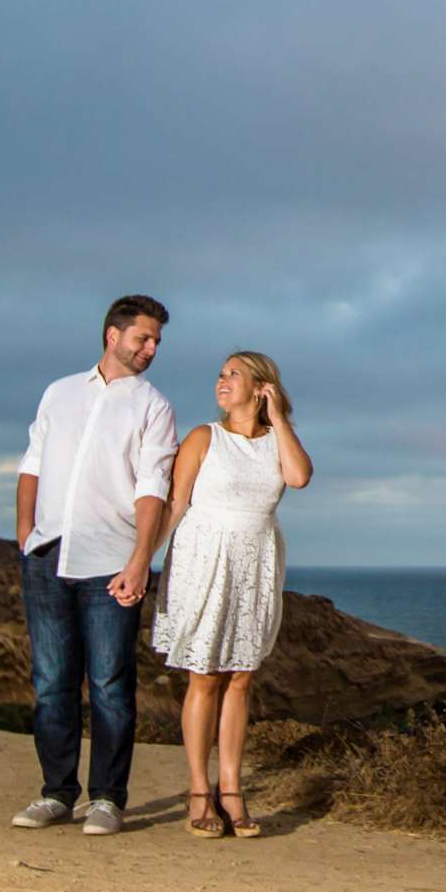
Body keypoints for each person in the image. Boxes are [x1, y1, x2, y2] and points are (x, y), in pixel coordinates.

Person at [9, 295, 179, 837]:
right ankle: (56, 794)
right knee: (51, 683)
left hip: (112, 562)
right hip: (47, 555)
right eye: (143, 338)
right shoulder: (59, 393)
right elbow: (31, 465)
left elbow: (153, 488)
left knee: (109, 684)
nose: (151, 349)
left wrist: (139, 560)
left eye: (155, 342)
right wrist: (24, 536)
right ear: (113, 334)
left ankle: (108, 799)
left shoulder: (154, 406)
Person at [151, 350, 313, 838]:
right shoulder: (204, 437)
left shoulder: (276, 439)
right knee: (205, 676)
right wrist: (141, 563)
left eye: (234, 374)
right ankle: (200, 793)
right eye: (220, 374)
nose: (222, 382)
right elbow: (176, 504)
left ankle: (232, 791)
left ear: (262, 386)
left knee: (241, 677)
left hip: (256, 562)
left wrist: (278, 417)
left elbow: (299, 477)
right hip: (204, 561)